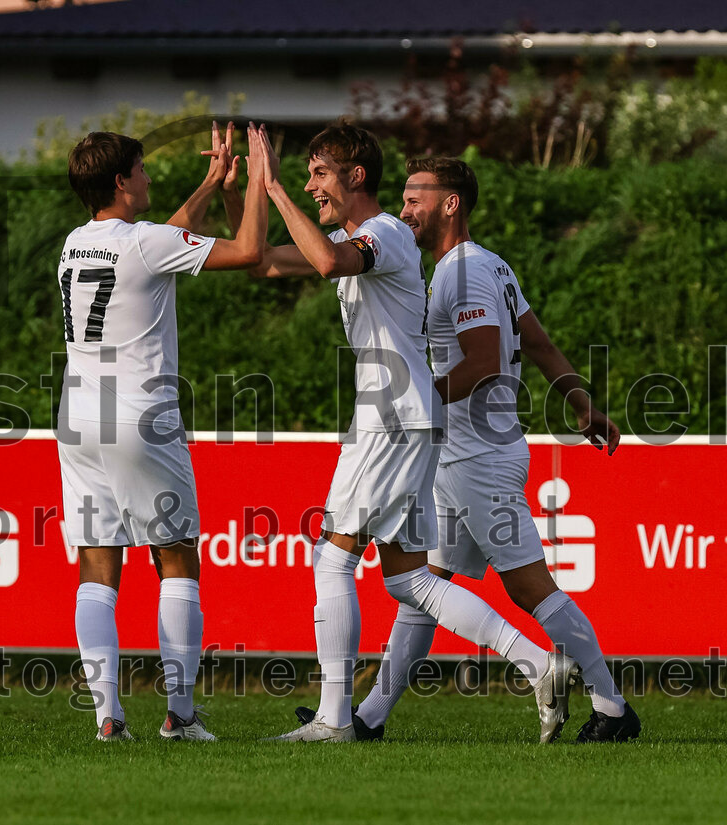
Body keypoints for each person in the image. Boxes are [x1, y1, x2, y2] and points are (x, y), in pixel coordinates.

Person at [247, 121, 577, 743]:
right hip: (404, 418)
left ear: (356, 176)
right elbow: (259, 260)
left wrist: (275, 190)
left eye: (320, 174)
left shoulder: (387, 233)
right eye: (307, 176)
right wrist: (243, 188)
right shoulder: (357, 237)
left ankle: (334, 720)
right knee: (409, 580)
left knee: (332, 561)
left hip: (391, 417)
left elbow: (327, 262)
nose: (312, 186)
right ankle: (539, 664)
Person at [344, 156, 640, 744]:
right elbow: (539, 344)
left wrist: (417, 402)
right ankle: (369, 718)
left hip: (478, 458)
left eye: (415, 200)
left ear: (450, 203)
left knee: (529, 588)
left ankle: (612, 707)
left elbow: (481, 363)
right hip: (460, 456)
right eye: (402, 200)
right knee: (421, 588)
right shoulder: (488, 267)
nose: (404, 211)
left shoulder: (463, 272)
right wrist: (582, 404)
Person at [61, 123, 267, 741]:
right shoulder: (145, 242)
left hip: (78, 417)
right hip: (139, 416)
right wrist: (253, 182)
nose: (149, 177)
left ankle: (108, 718)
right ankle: (180, 715)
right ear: (122, 182)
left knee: (97, 564)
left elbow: (163, 242)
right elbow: (248, 251)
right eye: (143, 170)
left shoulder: (76, 243)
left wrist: (208, 182)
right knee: (177, 559)